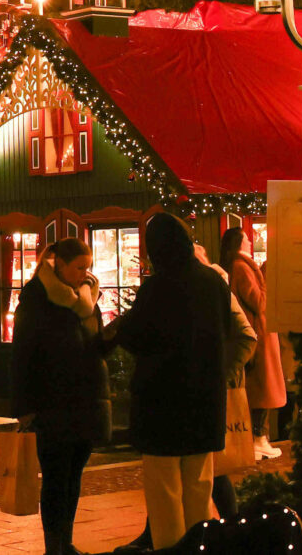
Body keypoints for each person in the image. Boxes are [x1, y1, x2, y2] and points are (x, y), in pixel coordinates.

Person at [103, 213, 255, 550]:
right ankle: (202, 544)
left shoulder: (157, 287)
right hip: (205, 401)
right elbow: (230, 332)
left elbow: (135, 336)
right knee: (199, 485)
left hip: (162, 405)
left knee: (164, 490)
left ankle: (171, 548)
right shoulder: (214, 282)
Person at [11, 238, 108, 555]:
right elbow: (23, 352)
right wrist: (24, 406)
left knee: (74, 476)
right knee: (55, 477)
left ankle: (65, 542)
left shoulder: (88, 298)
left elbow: (95, 343)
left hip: (84, 400)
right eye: (79, 267)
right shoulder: (37, 296)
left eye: (88, 267)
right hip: (51, 402)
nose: (85, 273)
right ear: (59, 265)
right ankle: (54, 546)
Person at [219, 227, 285, 461]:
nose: (250, 240)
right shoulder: (242, 267)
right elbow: (259, 301)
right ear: (239, 243)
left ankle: (260, 438)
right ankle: (259, 439)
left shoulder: (239, 266)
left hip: (258, 335)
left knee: (260, 388)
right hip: (258, 337)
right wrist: (266, 281)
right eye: (247, 238)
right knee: (261, 389)